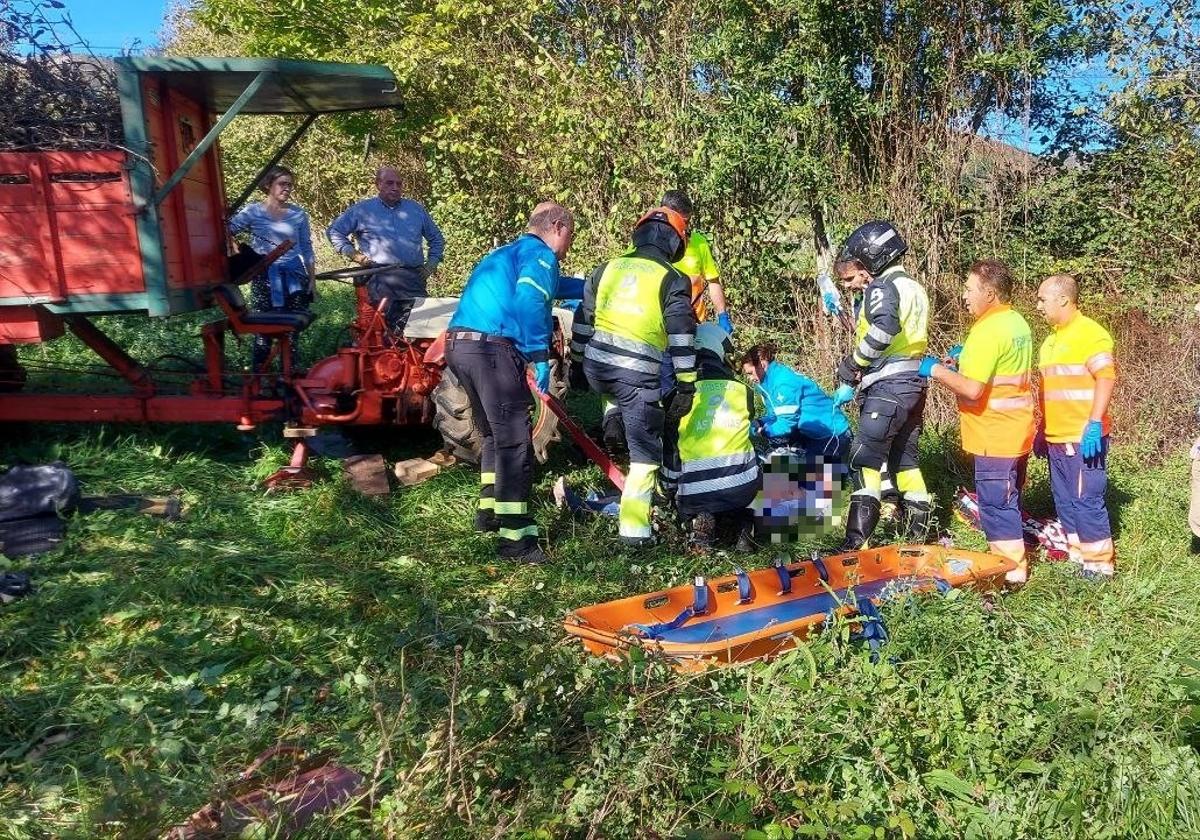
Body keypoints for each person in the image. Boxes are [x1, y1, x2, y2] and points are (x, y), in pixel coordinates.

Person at [444, 202, 575, 565]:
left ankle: (489, 512)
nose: (567, 248)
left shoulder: (507, 253)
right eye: (570, 237)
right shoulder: (540, 254)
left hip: (460, 346)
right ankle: (516, 540)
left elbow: (549, 284)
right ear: (557, 225)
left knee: (492, 435)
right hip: (492, 350)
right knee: (516, 441)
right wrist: (538, 355)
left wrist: (587, 286)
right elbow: (532, 297)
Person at [570, 206, 698, 547]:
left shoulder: (605, 268)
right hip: (636, 377)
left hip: (598, 368)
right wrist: (686, 384)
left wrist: (576, 362)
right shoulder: (672, 279)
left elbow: (583, 318)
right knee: (646, 456)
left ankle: (613, 417)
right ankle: (635, 532)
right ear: (674, 243)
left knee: (616, 393)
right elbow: (681, 337)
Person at [921, 259, 1035, 583]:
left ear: (990, 292)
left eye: (970, 289)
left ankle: (1009, 574)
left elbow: (972, 389)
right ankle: (1013, 563)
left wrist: (935, 370)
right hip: (1016, 430)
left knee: (996, 505)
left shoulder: (988, 330)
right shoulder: (1016, 323)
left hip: (993, 432)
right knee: (1010, 499)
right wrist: (964, 357)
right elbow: (1000, 370)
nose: (964, 296)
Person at [830, 220, 932, 550]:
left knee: (863, 462)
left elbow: (883, 330)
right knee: (907, 464)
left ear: (872, 256)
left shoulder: (882, 285)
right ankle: (918, 538)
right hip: (914, 385)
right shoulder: (914, 287)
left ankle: (855, 545)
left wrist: (852, 365)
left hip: (888, 386)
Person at [1034, 273, 1117, 578]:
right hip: (1057, 437)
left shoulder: (1089, 333)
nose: (1038, 305)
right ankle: (1078, 556)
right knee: (1065, 499)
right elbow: (1052, 391)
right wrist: (1043, 428)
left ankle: (1099, 566)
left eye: (1043, 299)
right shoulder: (1051, 341)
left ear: (1063, 299)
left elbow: (1106, 378)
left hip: (1083, 437)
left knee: (1086, 500)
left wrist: (1094, 422)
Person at [662, 324, 760, 552]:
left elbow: (670, 452)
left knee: (693, 481)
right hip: (742, 488)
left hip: (694, 493)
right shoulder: (743, 391)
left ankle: (701, 525)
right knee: (763, 460)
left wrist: (668, 490)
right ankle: (746, 529)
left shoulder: (677, 396)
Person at [327, 166, 445, 335]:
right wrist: (355, 255)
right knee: (383, 331)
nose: (395, 187)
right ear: (378, 184)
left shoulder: (415, 210)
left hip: (413, 278)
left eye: (399, 183)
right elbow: (334, 231)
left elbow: (437, 239)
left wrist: (431, 266)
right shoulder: (362, 210)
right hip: (379, 279)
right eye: (390, 183)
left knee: (419, 330)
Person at [227, 165, 316, 372]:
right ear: (268, 185)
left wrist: (312, 279)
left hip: (295, 277)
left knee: (293, 330)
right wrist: (238, 254)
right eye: (282, 184)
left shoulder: (299, 214)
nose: (287, 188)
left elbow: (307, 247)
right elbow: (227, 229)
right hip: (264, 277)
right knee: (263, 329)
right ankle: (260, 377)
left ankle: (291, 376)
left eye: (290, 185)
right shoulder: (253, 211)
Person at [741, 343, 851, 460]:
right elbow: (776, 415)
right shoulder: (767, 382)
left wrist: (764, 432)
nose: (750, 378)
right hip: (813, 434)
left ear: (762, 364)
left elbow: (786, 425)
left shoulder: (782, 382)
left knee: (799, 474)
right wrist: (760, 422)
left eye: (750, 373)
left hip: (832, 435)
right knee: (780, 470)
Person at [661, 190, 733, 335]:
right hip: (659, 326)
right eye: (682, 222)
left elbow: (713, 281)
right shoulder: (647, 243)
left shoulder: (699, 243)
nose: (685, 227)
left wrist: (722, 315)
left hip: (692, 324)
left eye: (688, 222)